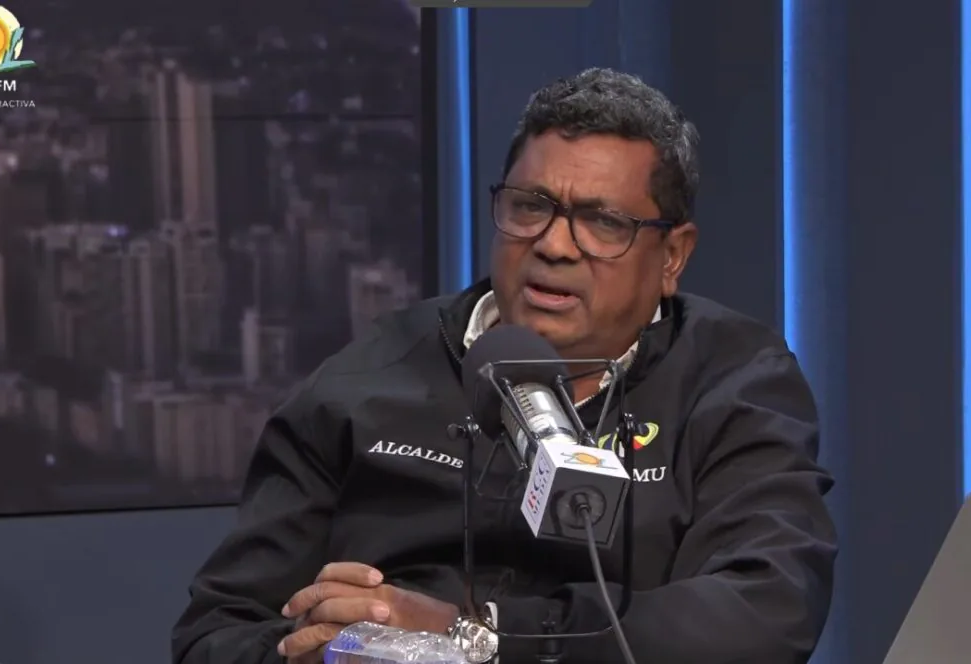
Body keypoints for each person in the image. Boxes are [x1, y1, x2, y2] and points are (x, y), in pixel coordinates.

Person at [172, 67, 837, 664]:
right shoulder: (364, 379)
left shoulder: (731, 379)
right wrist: (319, 654)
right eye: (530, 207)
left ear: (672, 256)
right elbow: (215, 633)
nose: (554, 245)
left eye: (602, 222)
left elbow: (766, 613)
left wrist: (478, 638)